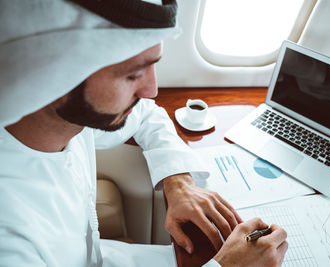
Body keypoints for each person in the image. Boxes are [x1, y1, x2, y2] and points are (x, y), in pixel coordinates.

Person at [0, 0, 288, 266]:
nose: (152, 90)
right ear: (50, 76)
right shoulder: (10, 241)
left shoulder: (68, 122)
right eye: (132, 75)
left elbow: (148, 114)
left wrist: (179, 181)